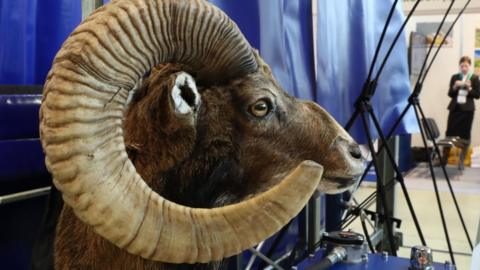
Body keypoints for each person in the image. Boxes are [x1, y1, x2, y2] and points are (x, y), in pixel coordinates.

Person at [444, 56, 480, 170]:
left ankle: (461, 160)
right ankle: (443, 159)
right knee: (449, 133)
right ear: (460, 66)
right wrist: (455, 86)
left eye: (466, 66)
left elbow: (477, 95)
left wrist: (469, 88)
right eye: (462, 66)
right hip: (455, 109)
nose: (464, 68)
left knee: (465, 135)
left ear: (469, 66)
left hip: (467, 111)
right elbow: (450, 93)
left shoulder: (474, 78)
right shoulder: (455, 77)